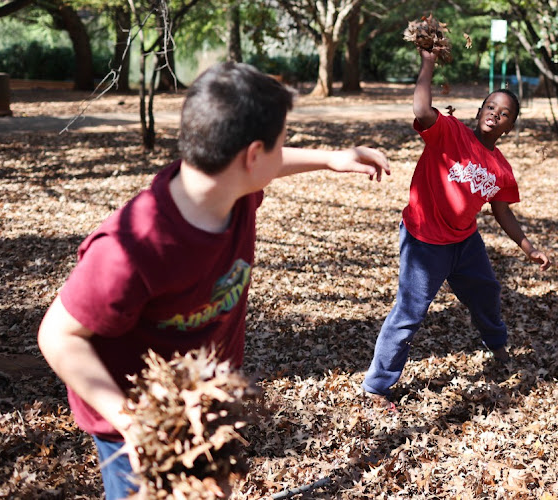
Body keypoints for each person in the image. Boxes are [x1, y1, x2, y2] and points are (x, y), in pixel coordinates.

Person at [37, 61, 390, 500]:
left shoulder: (231, 190)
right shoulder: (132, 248)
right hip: (142, 422)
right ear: (252, 155)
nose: (284, 154)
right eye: (283, 144)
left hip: (206, 400)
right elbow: (58, 335)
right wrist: (134, 424)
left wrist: (331, 159)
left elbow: (267, 165)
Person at [361, 49, 551, 405]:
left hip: (465, 243)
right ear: (479, 112)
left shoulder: (501, 169)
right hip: (424, 240)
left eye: (505, 113)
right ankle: (376, 385)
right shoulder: (449, 133)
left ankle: (497, 347)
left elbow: (502, 211)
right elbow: (420, 111)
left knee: (487, 293)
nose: (496, 114)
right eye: (491, 107)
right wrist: (428, 63)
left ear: (509, 127)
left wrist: (529, 247)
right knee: (410, 313)